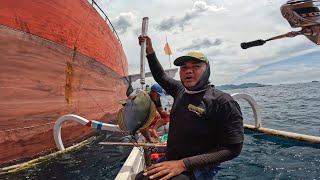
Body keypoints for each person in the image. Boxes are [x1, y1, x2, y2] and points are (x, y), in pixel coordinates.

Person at [135, 35, 244, 180]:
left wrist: (183, 164)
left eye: (196, 66)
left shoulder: (222, 101)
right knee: (140, 178)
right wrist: (149, 49)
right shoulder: (179, 90)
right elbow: (160, 75)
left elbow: (233, 148)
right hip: (172, 158)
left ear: (207, 70)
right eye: (184, 67)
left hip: (199, 166)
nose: (189, 71)